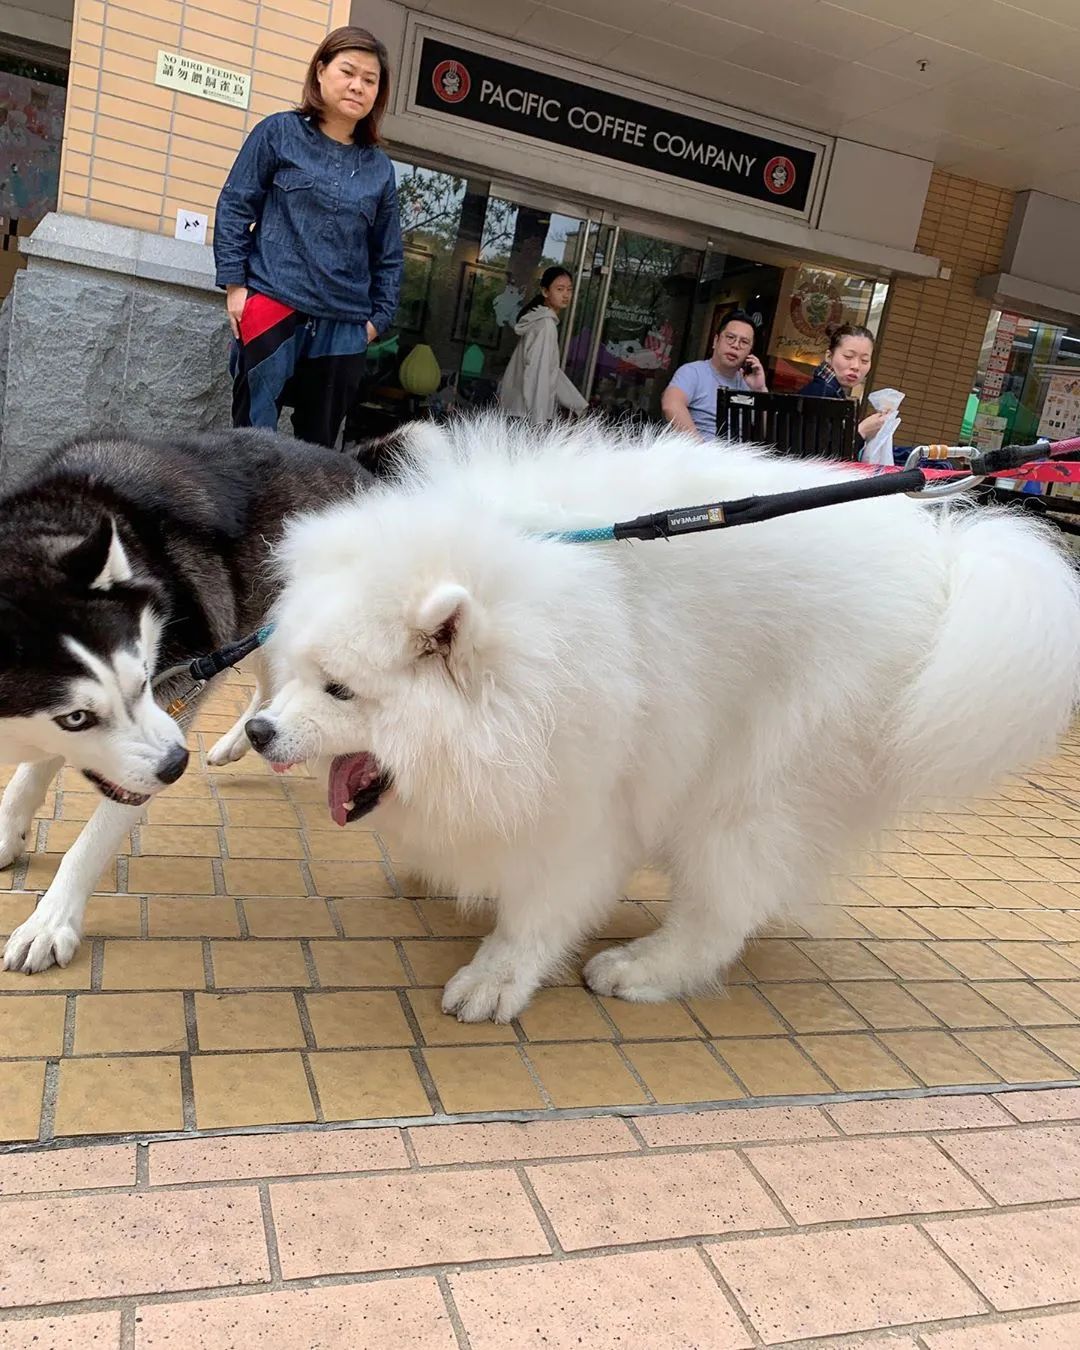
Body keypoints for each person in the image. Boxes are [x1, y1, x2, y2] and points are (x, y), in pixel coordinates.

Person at [213, 26, 404, 449]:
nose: (358, 86)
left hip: (343, 326)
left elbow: (388, 256)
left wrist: (374, 324)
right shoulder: (278, 133)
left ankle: (303, 518)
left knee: (318, 452)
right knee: (251, 443)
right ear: (320, 71)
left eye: (370, 80)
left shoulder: (379, 169)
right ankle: (250, 517)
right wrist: (236, 287)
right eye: (348, 71)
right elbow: (234, 206)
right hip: (272, 306)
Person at [498, 267, 588, 422]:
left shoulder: (540, 321)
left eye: (569, 289)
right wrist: (539, 420)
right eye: (560, 289)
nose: (566, 294)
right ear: (545, 292)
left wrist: (577, 403)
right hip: (527, 414)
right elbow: (538, 373)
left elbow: (549, 371)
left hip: (519, 409)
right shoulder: (545, 325)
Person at [661, 309, 767, 440]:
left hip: (737, 457)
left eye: (744, 342)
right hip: (697, 453)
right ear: (716, 341)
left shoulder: (749, 385)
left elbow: (767, 430)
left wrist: (760, 390)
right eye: (730, 338)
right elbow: (671, 405)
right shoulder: (693, 372)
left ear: (750, 351)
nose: (735, 345)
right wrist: (701, 451)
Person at [798, 324, 887, 447]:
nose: (856, 366)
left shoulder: (827, 390)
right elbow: (822, 455)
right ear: (829, 356)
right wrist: (861, 431)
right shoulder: (823, 394)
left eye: (864, 361)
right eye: (848, 357)